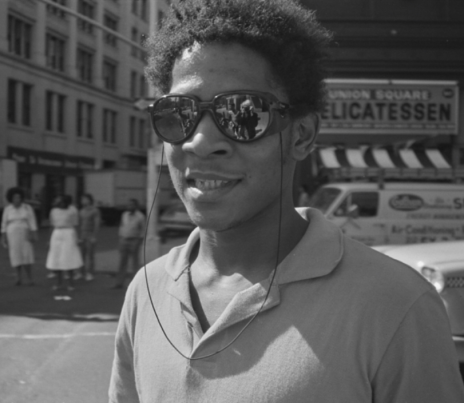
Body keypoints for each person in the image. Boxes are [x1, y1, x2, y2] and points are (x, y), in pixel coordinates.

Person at [109, 1, 464, 402]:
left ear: (302, 136)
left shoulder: (397, 305)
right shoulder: (147, 290)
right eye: (179, 112)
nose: (201, 142)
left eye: (243, 113)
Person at [1, 187, 38, 286]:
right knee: (15, 255)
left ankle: (30, 278)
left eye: (19, 197)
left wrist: (34, 233)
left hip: (25, 232)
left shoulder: (27, 208)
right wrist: (3, 237)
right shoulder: (8, 209)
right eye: (15, 198)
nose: (17, 200)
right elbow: (4, 224)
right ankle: (18, 277)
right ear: (11, 199)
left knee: (27, 254)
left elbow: (32, 221)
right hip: (12, 233)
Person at [46, 195, 83, 291]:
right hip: (57, 233)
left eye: (60, 200)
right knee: (57, 257)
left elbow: (76, 224)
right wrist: (49, 239)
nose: (58, 201)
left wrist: (78, 238)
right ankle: (58, 283)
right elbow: (51, 225)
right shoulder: (53, 211)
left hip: (69, 233)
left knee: (68, 257)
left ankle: (71, 283)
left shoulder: (72, 210)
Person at [113, 199, 145, 289]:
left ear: (136, 206)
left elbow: (143, 230)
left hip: (134, 240)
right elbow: (121, 227)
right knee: (122, 262)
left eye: (132, 205)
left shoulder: (140, 216)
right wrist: (120, 239)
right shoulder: (124, 215)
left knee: (135, 263)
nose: (129, 207)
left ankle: (135, 284)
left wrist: (139, 242)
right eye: (128, 205)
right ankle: (119, 282)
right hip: (124, 240)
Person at [78, 193, 101, 281]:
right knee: (81, 255)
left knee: (90, 255)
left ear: (89, 200)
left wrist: (94, 236)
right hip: (83, 234)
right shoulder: (81, 211)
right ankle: (81, 272)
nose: (82, 201)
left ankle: (90, 273)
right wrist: (79, 236)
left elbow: (96, 224)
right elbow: (80, 224)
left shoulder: (95, 211)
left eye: (84, 199)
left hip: (90, 234)